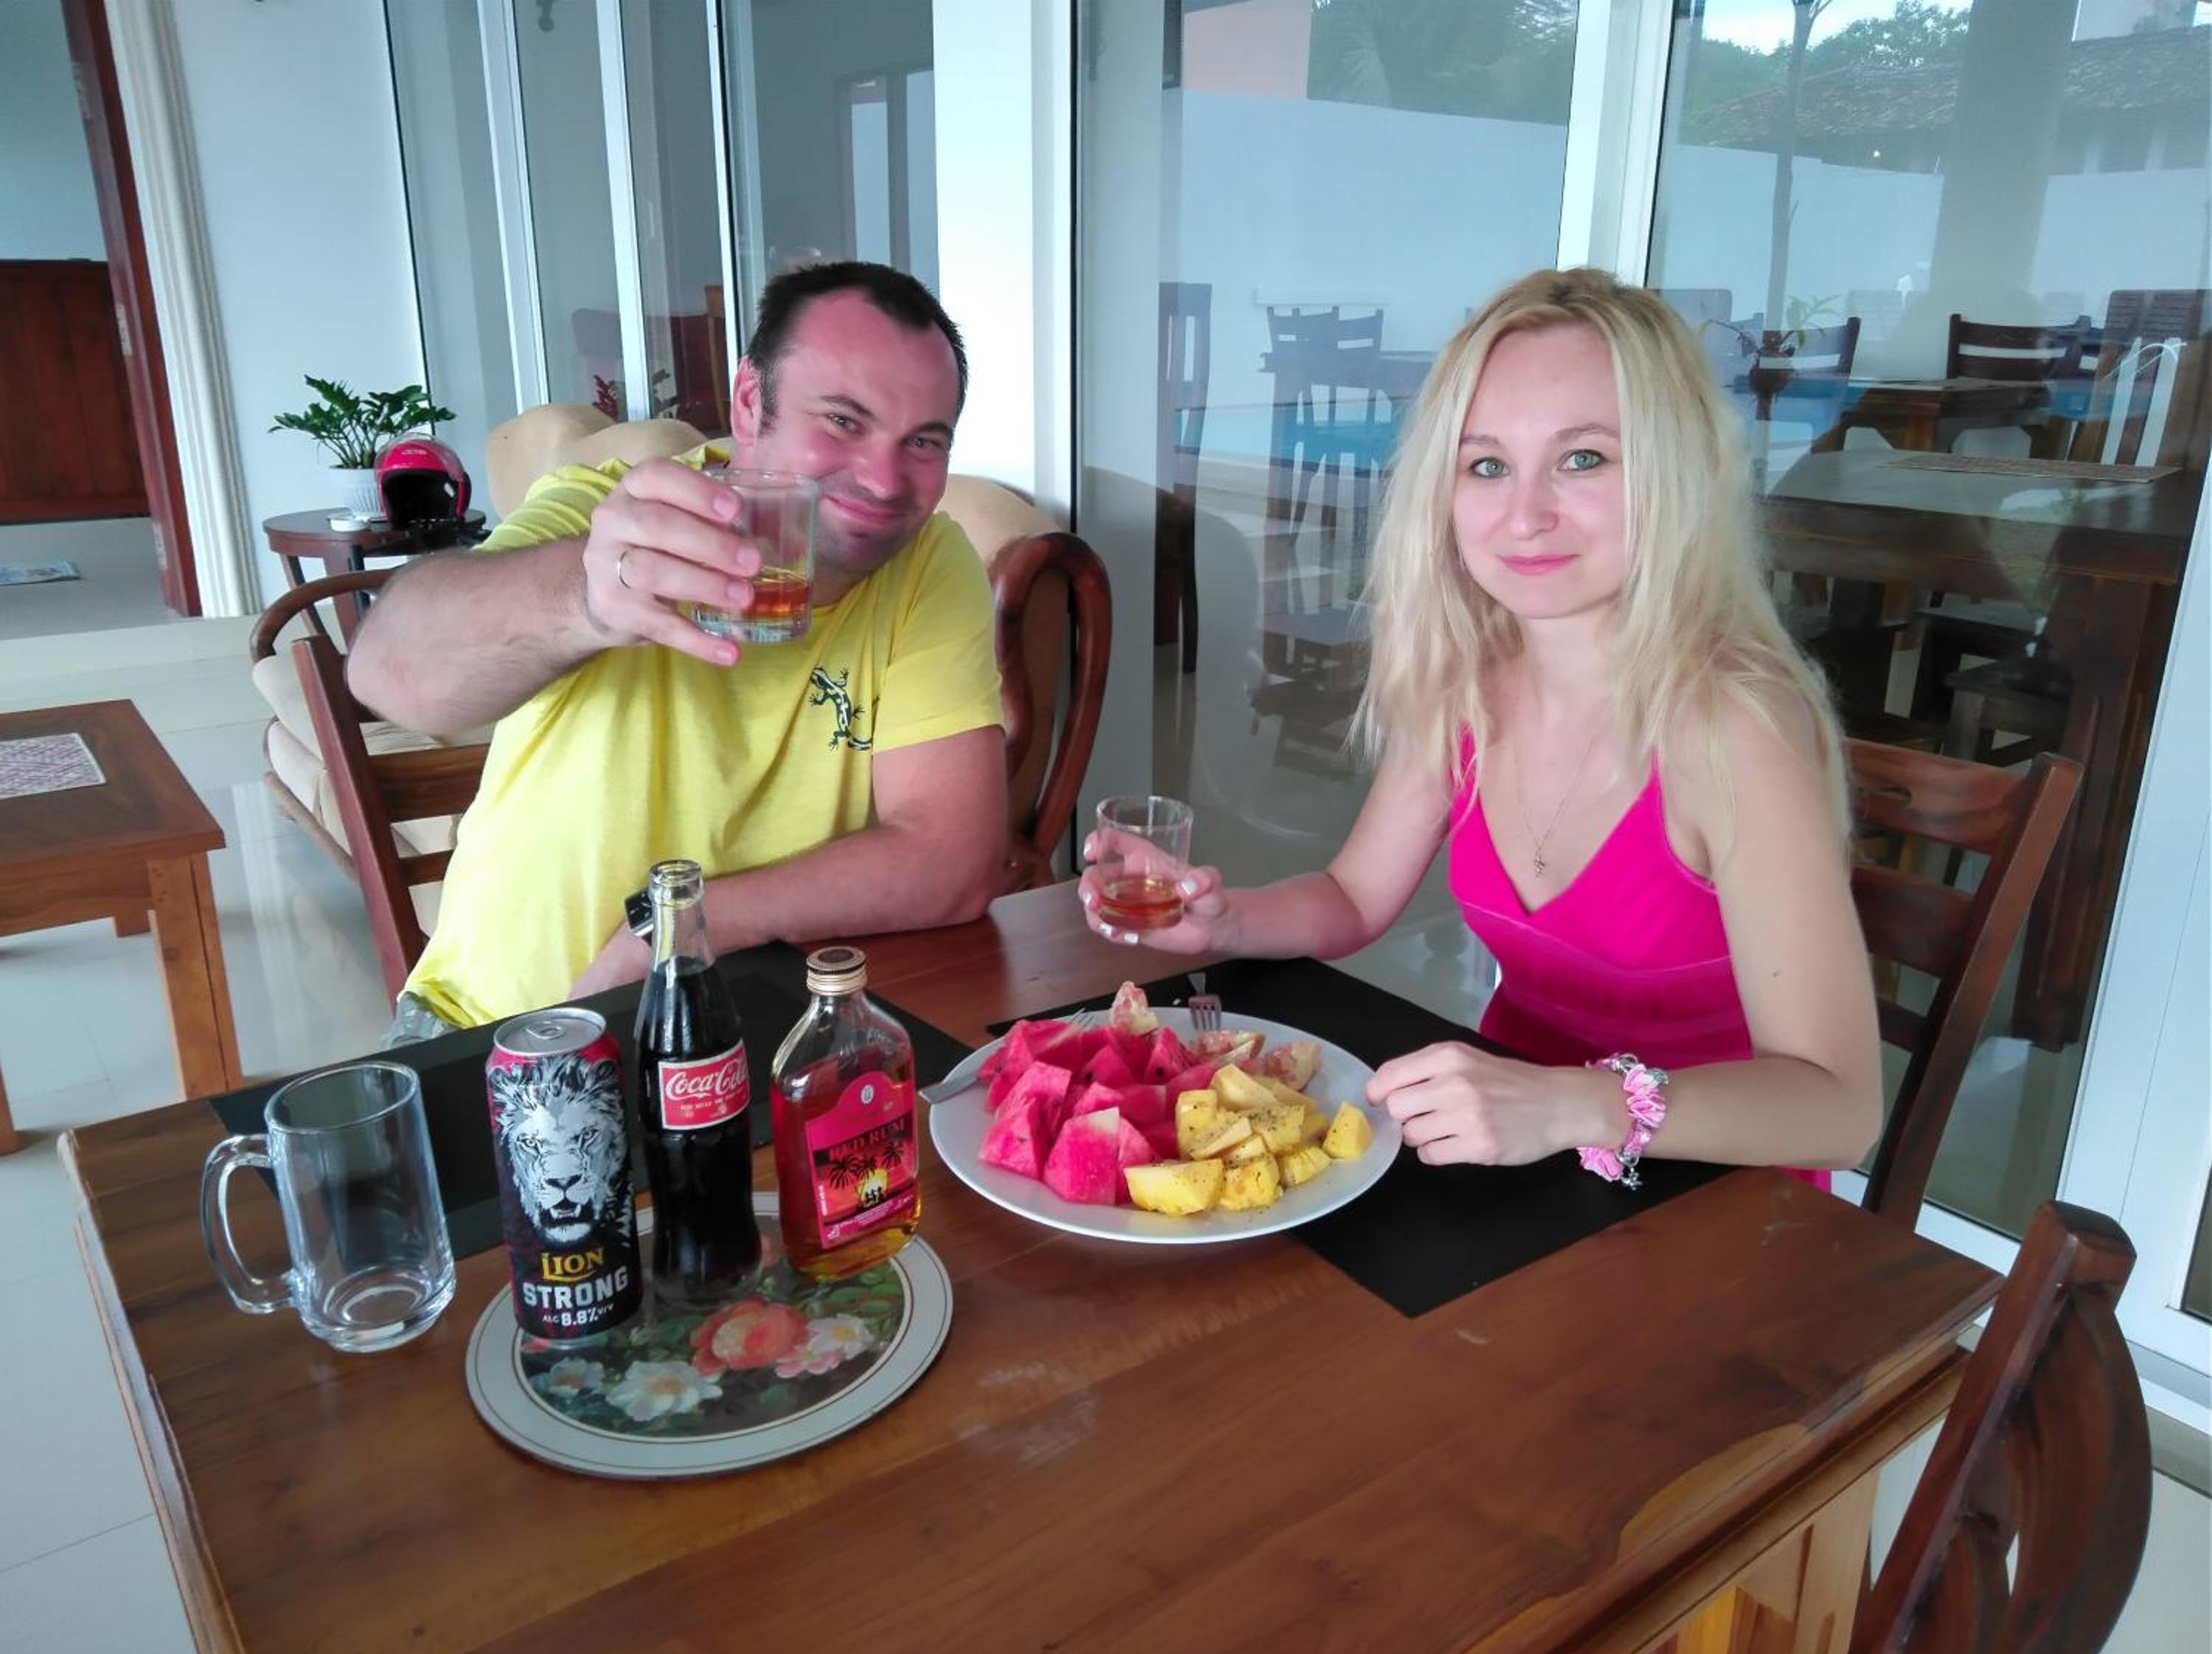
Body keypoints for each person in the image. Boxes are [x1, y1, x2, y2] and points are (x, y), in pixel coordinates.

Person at [1082, 268, 1881, 1186]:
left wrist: (1579, 1104)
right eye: (1487, 465)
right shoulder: (1469, 682)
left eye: (1584, 459)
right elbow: (1352, 898)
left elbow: (1839, 1112)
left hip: (1719, 1200)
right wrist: (1223, 924)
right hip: (1516, 1169)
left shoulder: (1737, 725)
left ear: (1677, 472)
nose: (1525, 515)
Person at [349, 261, 1008, 1036]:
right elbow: (386, 672)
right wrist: (587, 597)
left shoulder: (929, 563)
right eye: (842, 421)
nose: (885, 480)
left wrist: (682, 926)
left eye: (923, 441)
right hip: (504, 1031)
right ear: (751, 400)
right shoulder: (607, 511)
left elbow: (952, 858)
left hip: (744, 1025)